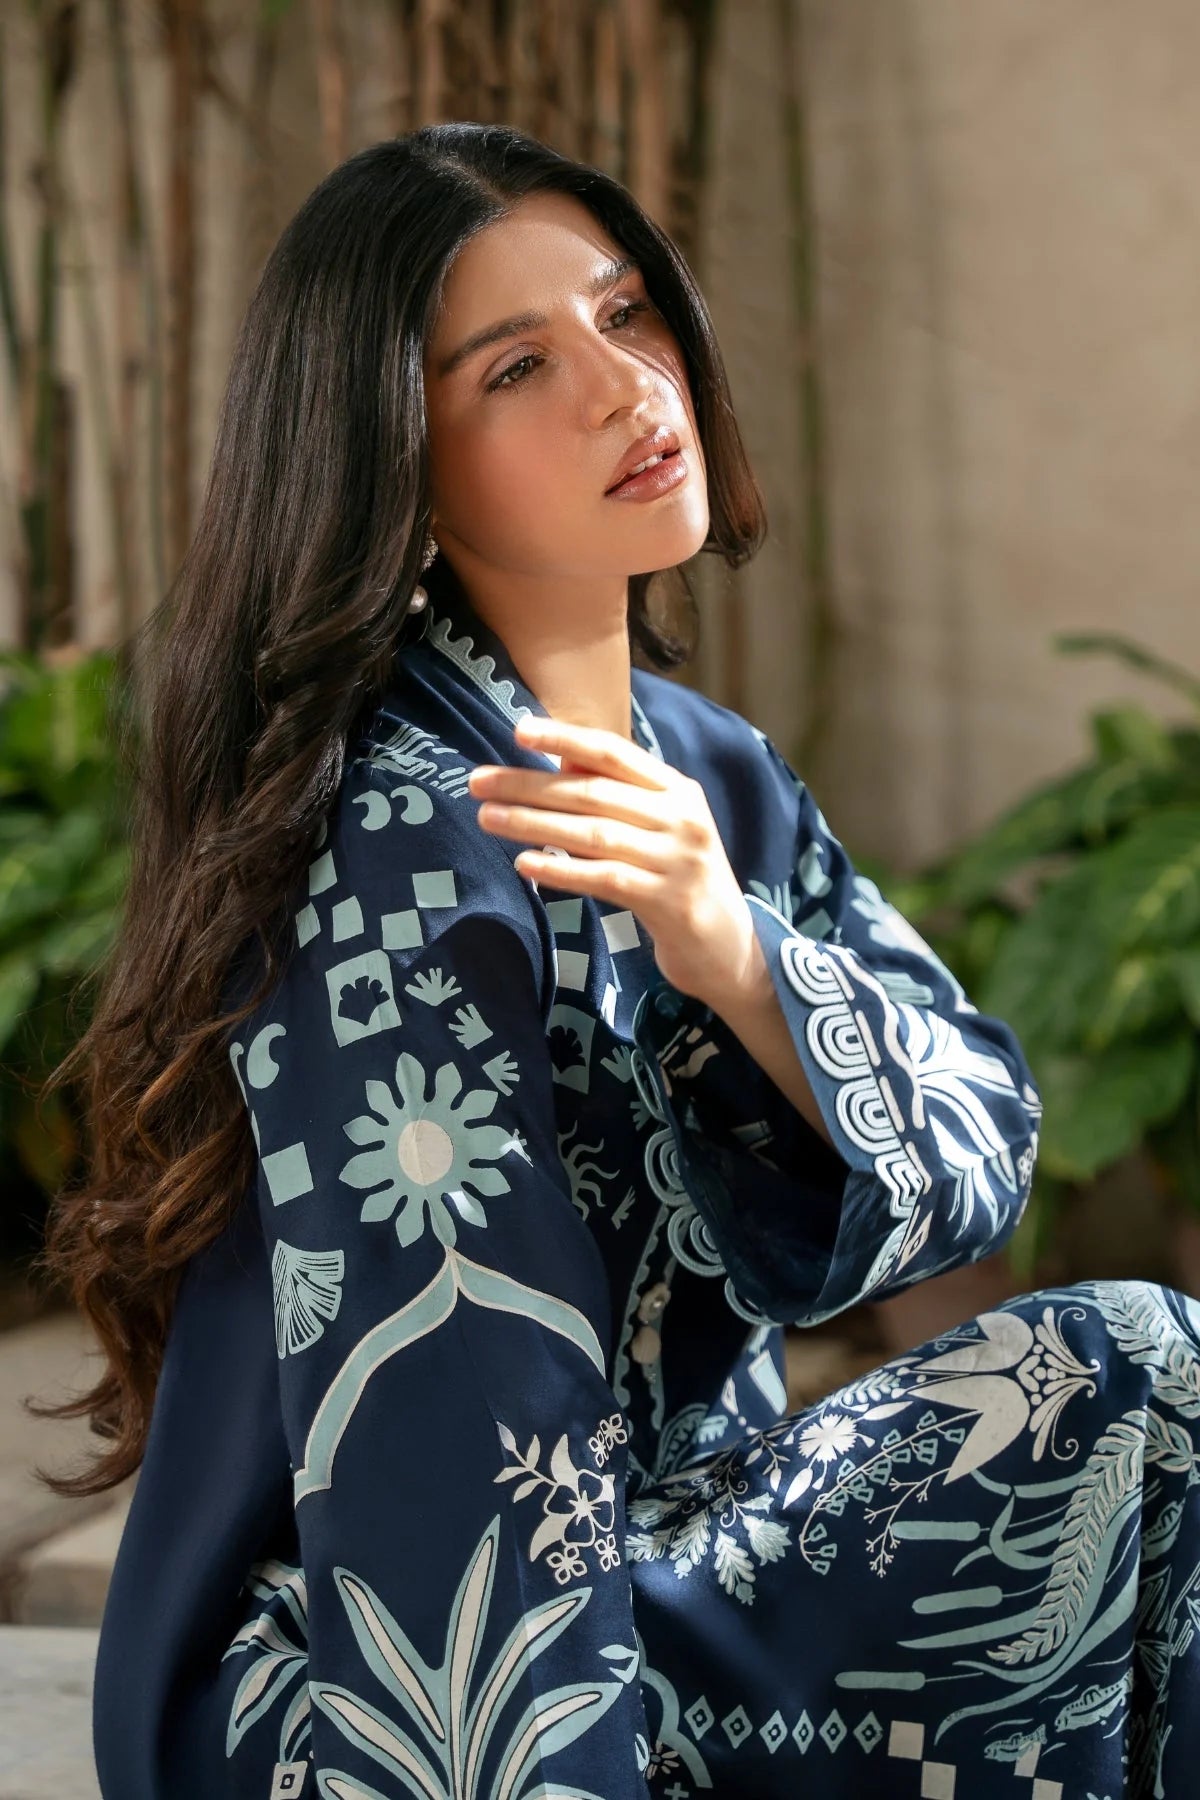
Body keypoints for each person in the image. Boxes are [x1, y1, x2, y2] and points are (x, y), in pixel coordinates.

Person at [35, 122, 1200, 1800]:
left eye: (626, 312)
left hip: (661, 1575)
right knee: (1135, 1374)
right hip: (384, 1681)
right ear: (396, 462)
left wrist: (738, 956)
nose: (621, 384)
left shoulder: (709, 771)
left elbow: (980, 1156)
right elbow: (451, 1422)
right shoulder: (397, 850)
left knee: (1143, 1395)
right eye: (516, 368)